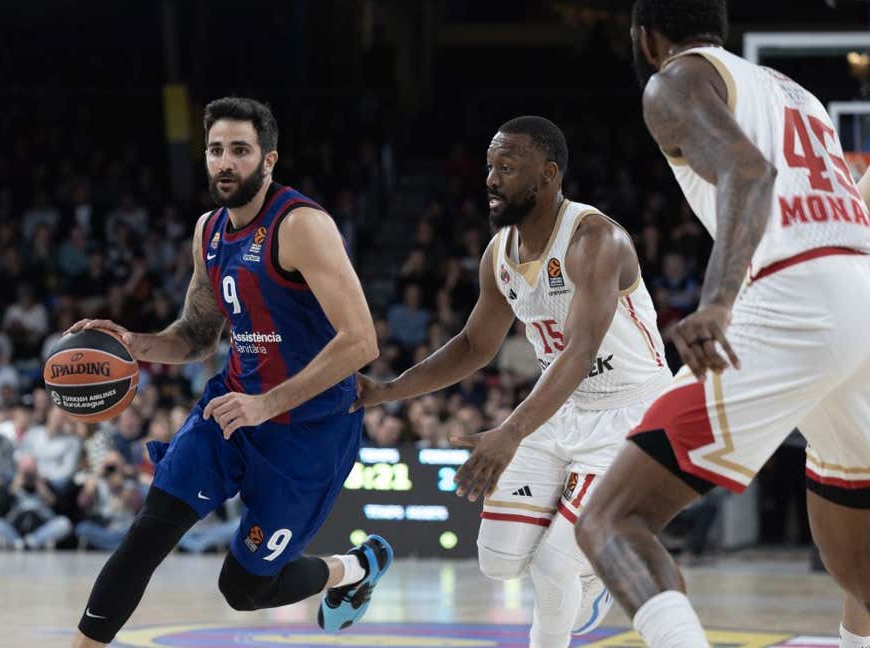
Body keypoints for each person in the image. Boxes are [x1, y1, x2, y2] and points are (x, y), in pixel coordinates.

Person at [575, 3, 870, 648]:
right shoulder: (798, 95)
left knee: (610, 518)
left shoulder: (674, 78)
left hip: (794, 296)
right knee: (859, 565)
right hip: (860, 293)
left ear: (645, 38)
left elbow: (748, 171)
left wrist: (717, 300)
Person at [66, 97, 389, 647]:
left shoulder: (302, 225)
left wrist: (269, 403)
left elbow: (362, 341)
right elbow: (196, 337)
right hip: (229, 409)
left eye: (240, 150)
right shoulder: (208, 232)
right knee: (149, 532)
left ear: (268, 161)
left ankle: (358, 567)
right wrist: (133, 342)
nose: (225, 162)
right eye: (216, 150)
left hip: (307, 430)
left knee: (244, 589)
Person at [356, 116, 670, 647]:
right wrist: (386, 390)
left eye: (507, 166)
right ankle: (592, 571)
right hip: (560, 408)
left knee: (552, 567)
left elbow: (580, 350)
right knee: (498, 561)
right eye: (489, 166)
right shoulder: (499, 254)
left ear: (547, 174)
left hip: (630, 413)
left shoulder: (594, 239)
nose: (491, 178)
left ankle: (583, 568)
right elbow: (475, 347)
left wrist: (511, 431)